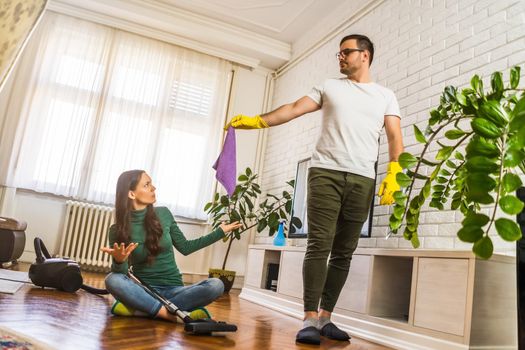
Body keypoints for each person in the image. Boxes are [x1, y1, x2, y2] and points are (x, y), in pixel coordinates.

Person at [225, 34, 404, 345]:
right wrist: (259, 121)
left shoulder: (385, 96)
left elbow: (394, 137)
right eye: (339, 53)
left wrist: (395, 172)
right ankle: (308, 318)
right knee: (319, 245)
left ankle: (326, 318)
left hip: (363, 178)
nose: (340, 57)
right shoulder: (329, 86)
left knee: (344, 252)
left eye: (346, 52)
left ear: (365, 55)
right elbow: (294, 108)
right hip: (325, 174)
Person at [101, 169, 242, 322]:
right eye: (147, 185)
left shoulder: (163, 214)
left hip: (175, 290)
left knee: (216, 285)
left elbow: (186, 247)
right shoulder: (117, 230)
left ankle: (142, 310)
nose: (153, 188)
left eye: (151, 184)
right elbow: (121, 275)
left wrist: (219, 232)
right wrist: (119, 261)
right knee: (112, 280)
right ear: (131, 194)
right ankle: (170, 315)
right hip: (144, 290)